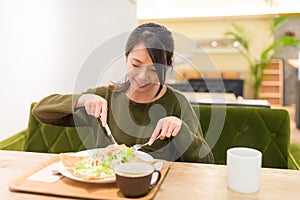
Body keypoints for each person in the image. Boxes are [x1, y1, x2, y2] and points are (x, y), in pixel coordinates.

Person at [32, 22, 213, 163]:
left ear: (167, 65)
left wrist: (180, 129)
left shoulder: (177, 103)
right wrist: (82, 99)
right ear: (126, 58)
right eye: (136, 65)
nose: (142, 77)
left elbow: (206, 161)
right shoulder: (105, 98)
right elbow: (40, 111)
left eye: (153, 69)